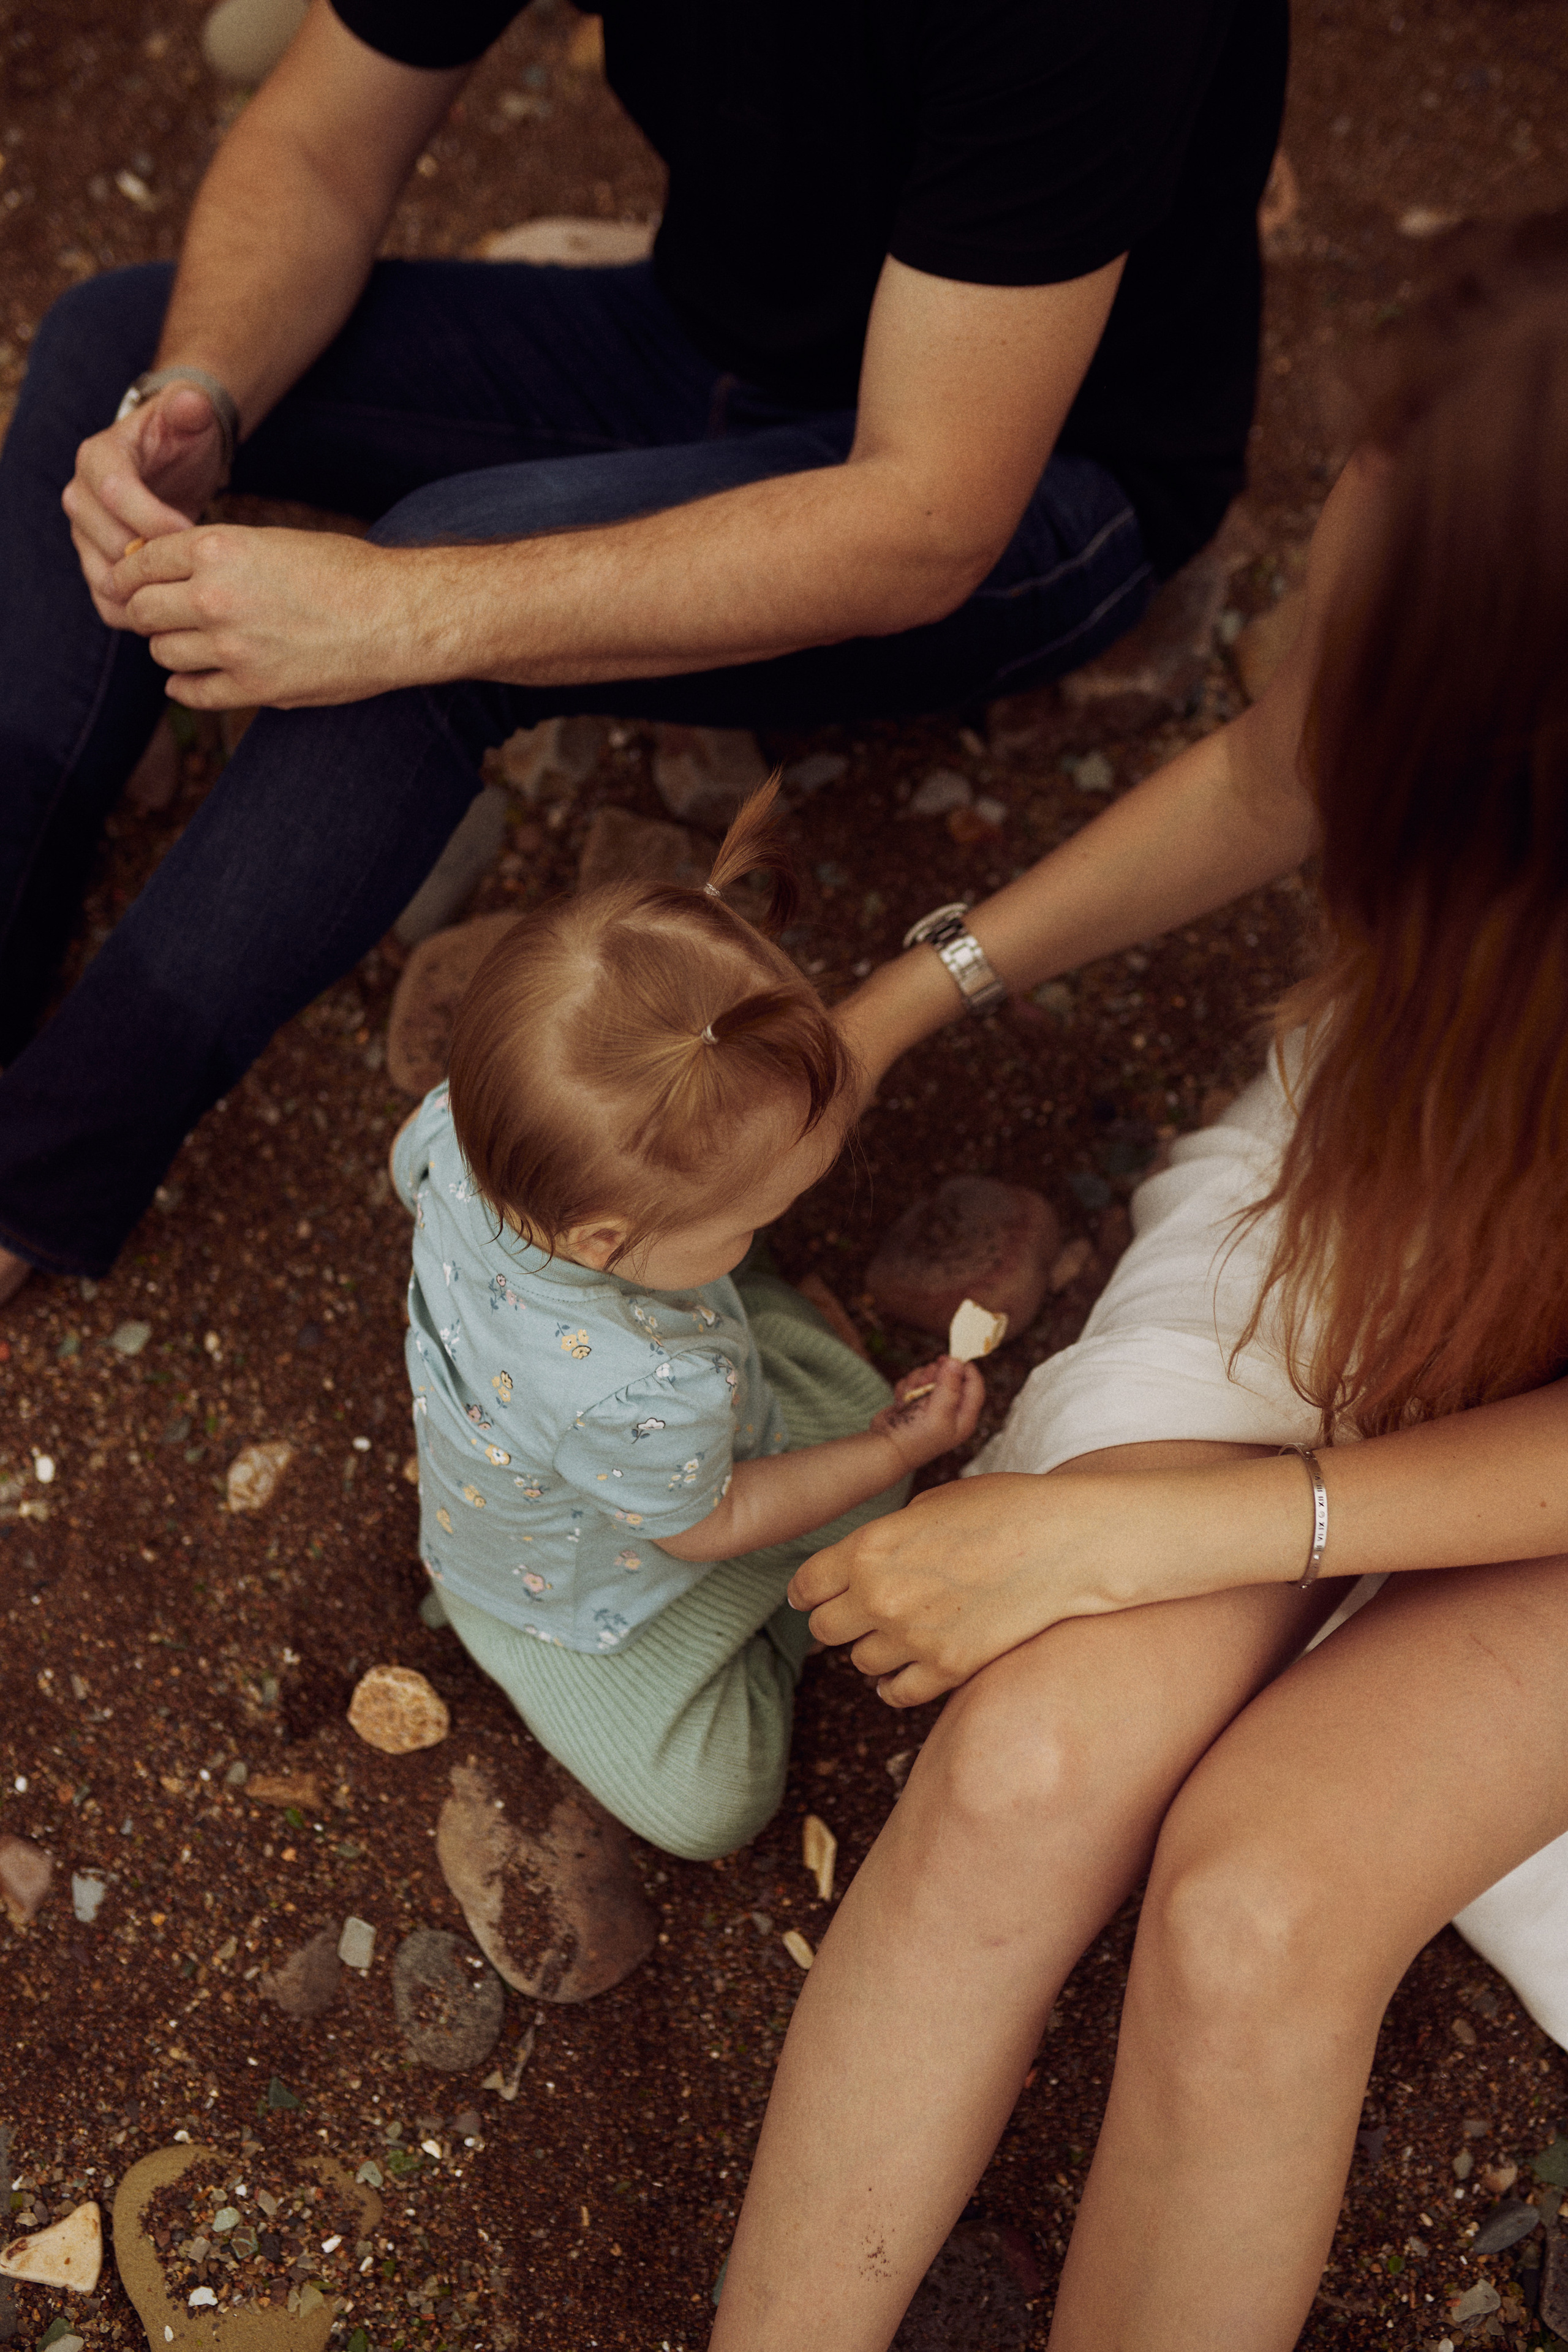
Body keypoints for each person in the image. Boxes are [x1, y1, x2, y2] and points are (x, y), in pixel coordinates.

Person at [708, 214, 1568, 2349]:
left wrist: (1156, 1528)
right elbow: (1289, 763)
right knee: (1024, 1773)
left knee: (1267, 1908)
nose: (1293, 615)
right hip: (1434, 1166)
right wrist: (895, 1014)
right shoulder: (1458, 614)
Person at [0, 0, 1287, 1300]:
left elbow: (928, 518)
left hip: (1033, 470)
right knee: (123, 351)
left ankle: (35, 1173)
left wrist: (406, 612)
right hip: (703, 340)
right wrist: (202, 397)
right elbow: (323, 140)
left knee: (430, 599)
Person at [390, 782, 981, 1859]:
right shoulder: (646, 1391)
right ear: (610, 1243)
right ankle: (737, 1636)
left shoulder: (460, 1131)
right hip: (582, 1590)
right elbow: (706, 1524)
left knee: (843, 1462)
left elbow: (405, 1176)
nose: (771, 1227)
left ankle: (782, 1539)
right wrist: (893, 1442)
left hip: (605, 1444)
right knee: (714, 1808)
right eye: (758, 1219)